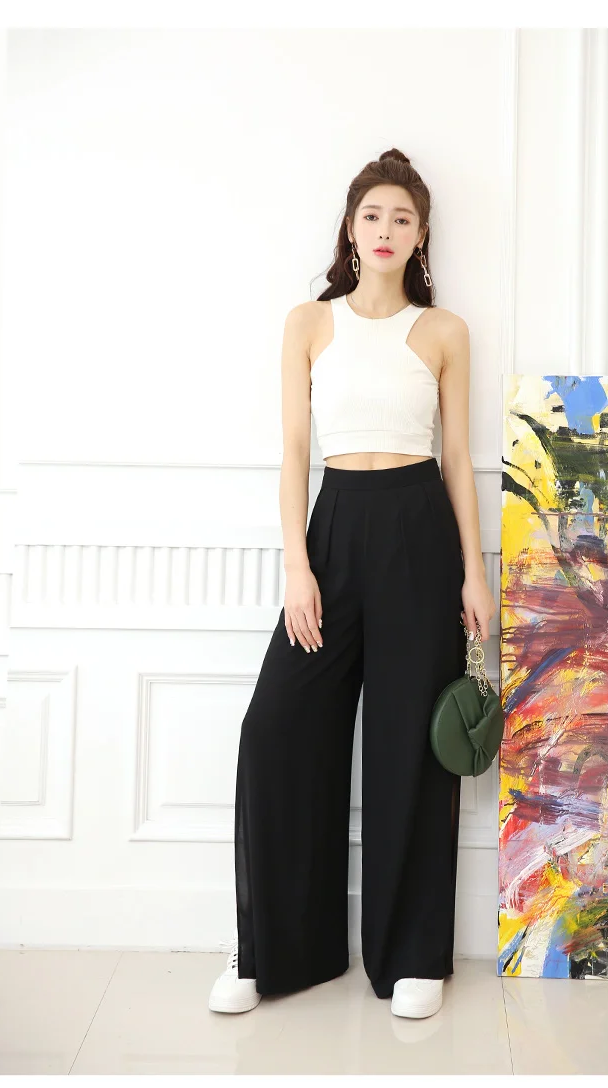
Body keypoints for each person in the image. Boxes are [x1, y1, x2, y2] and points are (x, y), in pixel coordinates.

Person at [209, 148, 496, 1019]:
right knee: (276, 731)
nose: (385, 229)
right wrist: (297, 564)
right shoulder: (309, 323)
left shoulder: (444, 333)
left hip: (419, 533)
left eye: (402, 218)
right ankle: (274, 950)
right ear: (350, 226)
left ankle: (412, 957)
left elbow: (456, 460)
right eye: (373, 214)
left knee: (411, 746)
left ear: (420, 237)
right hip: (332, 531)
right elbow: (295, 453)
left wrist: (475, 574)